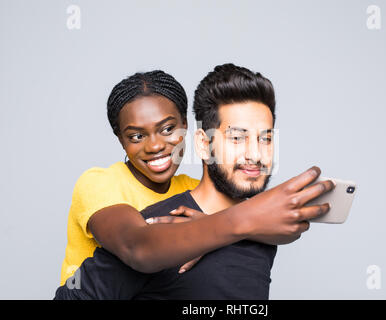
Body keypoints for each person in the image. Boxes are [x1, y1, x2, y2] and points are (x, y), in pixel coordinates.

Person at [55, 63, 335, 299]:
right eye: (137, 136)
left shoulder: (192, 190)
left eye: (167, 129)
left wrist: (219, 223)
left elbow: (272, 227)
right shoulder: (102, 184)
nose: (155, 146)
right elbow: (137, 247)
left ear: (185, 129)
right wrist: (238, 221)